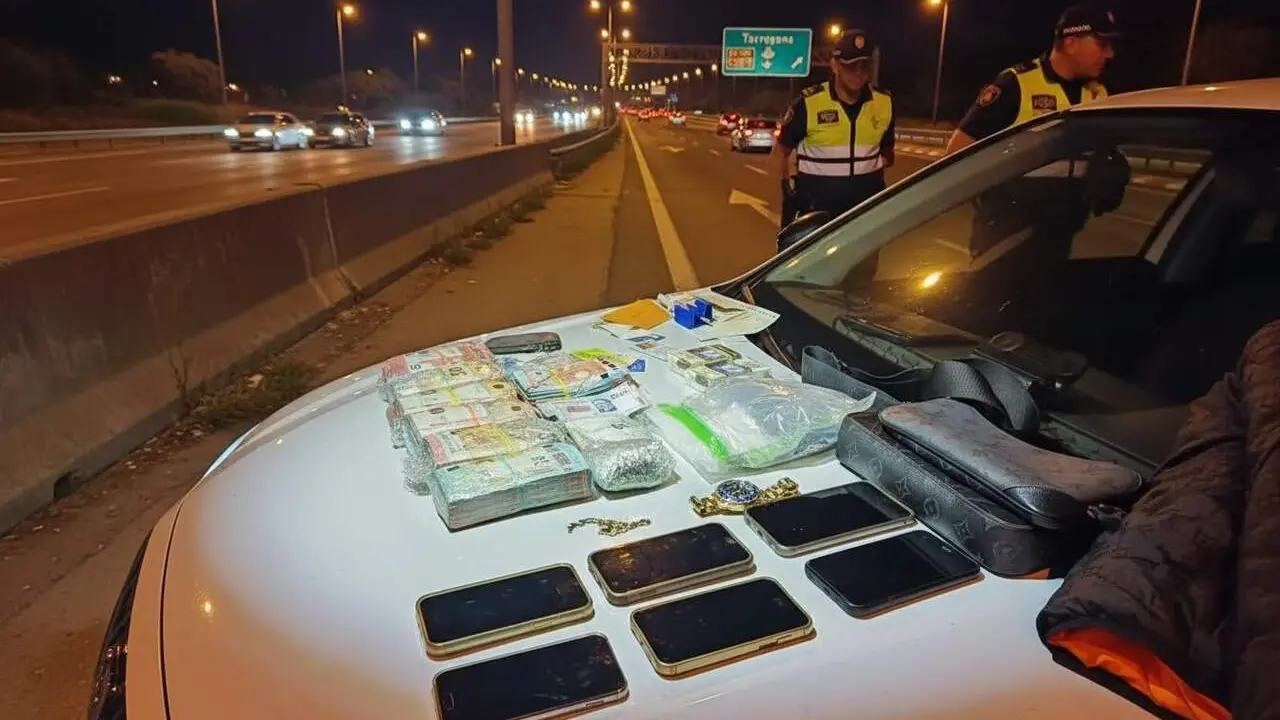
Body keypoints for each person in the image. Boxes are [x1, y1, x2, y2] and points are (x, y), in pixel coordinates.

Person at [946, 4, 1119, 155]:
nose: (1110, 54)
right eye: (1103, 45)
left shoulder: (1101, 91)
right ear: (1071, 44)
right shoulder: (1015, 84)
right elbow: (957, 150)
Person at [774, 29, 895, 228]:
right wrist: (788, 190)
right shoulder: (808, 103)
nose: (858, 72)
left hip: (865, 214)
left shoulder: (884, 102)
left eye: (864, 66)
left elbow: (888, 154)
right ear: (834, 65)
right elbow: (781, 151)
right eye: (851, 66)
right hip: (817, 216)